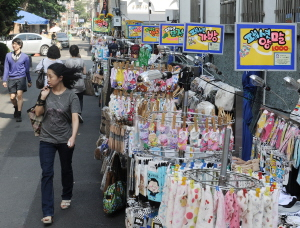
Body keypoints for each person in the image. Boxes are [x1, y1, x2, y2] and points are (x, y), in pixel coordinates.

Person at [34, 63, 81, 224]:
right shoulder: (45, 93)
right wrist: (42, 98)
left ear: (60, 78)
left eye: (50, 76)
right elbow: (38, 113)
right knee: (47, 173)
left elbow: (75, 118)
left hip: (64, 138)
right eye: (47, 76)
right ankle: (47, 211)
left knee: (66, 168)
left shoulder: (71, 96)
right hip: (46, 139)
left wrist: (73, 137)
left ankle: (67, 195)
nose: (48, 79)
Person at [2, 38, 32, 122]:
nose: (13, 45)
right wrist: (4, 80)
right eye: (13, 44)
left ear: (20, 45)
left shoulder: (25, 57)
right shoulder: (8, 55)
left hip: (21, 78)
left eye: (15, 44)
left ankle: (18, 113)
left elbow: (27, 70)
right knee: (12, 97)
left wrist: (29, 80)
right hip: (11, 78)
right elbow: (6, 68)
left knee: (19, 95)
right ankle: (16, 107)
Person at [65, 45, 86, 123]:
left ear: (70, 52)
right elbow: (84, 72)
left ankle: (72, 114)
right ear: (78, 52)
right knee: (80, 99)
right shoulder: (81, 61)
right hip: (80, 83)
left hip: (71, 83)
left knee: (71, 100)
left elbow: (65, 72)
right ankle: (79, 114)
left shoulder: (67, 61)